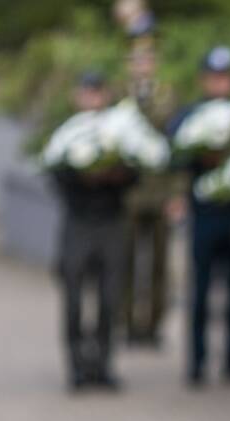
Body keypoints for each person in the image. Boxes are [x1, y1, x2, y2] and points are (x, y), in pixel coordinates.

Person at [50, 71, 138, 391]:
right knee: (73, 298)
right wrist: (83, 176)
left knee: (109, 299)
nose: (92, 99)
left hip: (111, 221)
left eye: (97, 93)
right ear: (78, 97)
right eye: (86, 93)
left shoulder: (119, 131)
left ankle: (102, 364)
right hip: (78, 222)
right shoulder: (66, 133)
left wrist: (113, 175)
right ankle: (76, 365)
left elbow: (135, 174)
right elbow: (55, 176)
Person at [171, 46, 230, 386]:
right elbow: (173, 154)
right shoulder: (190, 115)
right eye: (214, 77)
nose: (219, 83)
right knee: (200, 290)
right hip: (205, 212)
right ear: (204, 79)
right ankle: (197, 360)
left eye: (225, 77)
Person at [121, 33, 180, 347]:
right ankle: (127, 322)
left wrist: (176, 193)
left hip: (159, 192)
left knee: (159, 264)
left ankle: (154, 324)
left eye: (147, 59)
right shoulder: (120, 96)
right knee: (128, 261)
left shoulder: (166, 95)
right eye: (136, 60)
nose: (142, 65)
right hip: (129, 194)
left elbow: (173, 144)